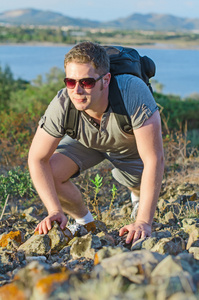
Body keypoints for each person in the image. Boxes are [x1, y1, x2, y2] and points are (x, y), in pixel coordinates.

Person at [28, 41, 164, 244]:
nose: (77, 90)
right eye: (70, 81)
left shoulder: (132, 92)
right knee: (52, 172)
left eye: (87, 82)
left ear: (106, 80)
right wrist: (54, 209)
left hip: (128, 146)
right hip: (87, 143)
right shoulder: (64, 102)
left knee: (138, 181)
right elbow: (37, 158)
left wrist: (144, 221)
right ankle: (84, 222)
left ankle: (136, 199)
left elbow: (154, 159)